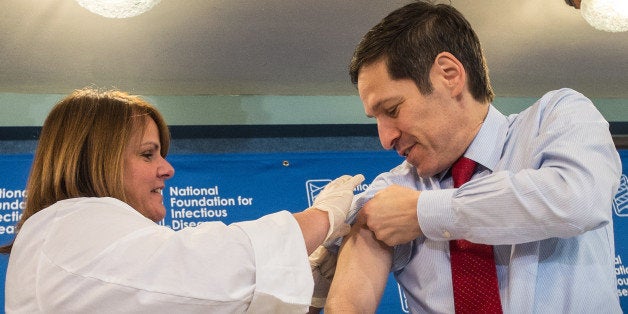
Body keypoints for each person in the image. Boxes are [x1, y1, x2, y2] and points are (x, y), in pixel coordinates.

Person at [324, 1, 623, 313]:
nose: (385, 139)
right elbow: (350, 295)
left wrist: (424, 213)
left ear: (449, 75)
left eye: (393, 110)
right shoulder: (395, 189)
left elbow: (577, 199)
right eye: (377, 119)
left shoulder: (557, 117)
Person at [0, 87, 364, 313]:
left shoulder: (76, 242)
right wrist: (323, 215)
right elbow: (209, 263)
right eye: (147, 154)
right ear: (98, 159)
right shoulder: (74, 224)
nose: (167, 169)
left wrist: (308, 290)